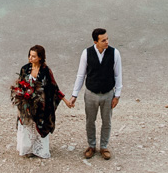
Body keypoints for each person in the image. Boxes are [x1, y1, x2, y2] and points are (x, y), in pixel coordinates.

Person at [65, 28, 121, 160]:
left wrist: (117, 95)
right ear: (96, 41)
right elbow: (81, 75)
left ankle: (104, 147)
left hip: (108, 93)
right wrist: (74, 94)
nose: (107, 42)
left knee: (107, 121)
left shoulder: (115, 53)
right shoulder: (86, 53)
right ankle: (91, 146)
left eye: (107, 39)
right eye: (103, 40)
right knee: (90, 121)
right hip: (91, 93)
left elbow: (118, 75)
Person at [13, 45, 64, 158]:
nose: (30, 58)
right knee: (27, 125)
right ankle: (27, 149)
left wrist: (66, 100)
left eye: (33, 56)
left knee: (39, 125)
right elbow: (19, 84)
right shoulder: (25, 69)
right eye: (30, 56)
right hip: (26, 104)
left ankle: (40, 150)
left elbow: (54, 87)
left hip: (41, 106)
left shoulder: (46, 71)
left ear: (40, 57)